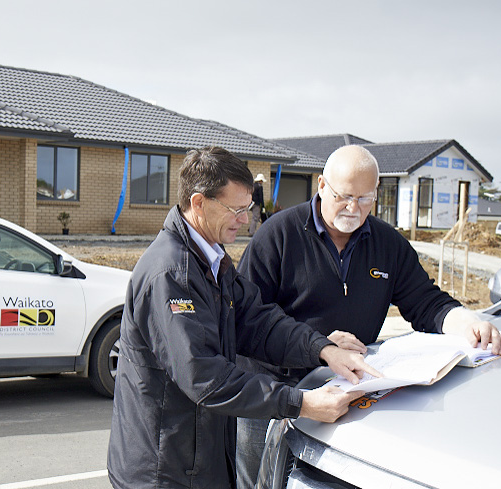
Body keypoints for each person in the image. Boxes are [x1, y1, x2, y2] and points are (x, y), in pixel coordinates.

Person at [233, 144, 501, 489]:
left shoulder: (387, 244)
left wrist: (468, 322)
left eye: (366, 199)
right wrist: (317, 345)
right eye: (345, 196)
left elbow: (425, 302)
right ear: (321, 185)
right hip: (274, 393)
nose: (354, 209)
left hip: (346, 390)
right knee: (260, 482)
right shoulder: (278, 235)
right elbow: (248, 319)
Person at [107, 146, 382, 489]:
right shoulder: (171, 274)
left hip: (197, 462)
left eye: (247, 208)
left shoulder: (213, 259)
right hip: (163, 472)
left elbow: (259, 321)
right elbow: (204, 376)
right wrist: (300, 403)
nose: (245, 219)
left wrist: (323, 350)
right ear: (198, 203)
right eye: (235, 210)